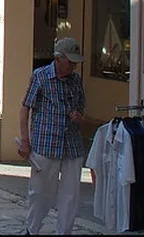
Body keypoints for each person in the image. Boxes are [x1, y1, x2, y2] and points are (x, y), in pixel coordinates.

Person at [18, 37, 87, 235]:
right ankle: (33, 230)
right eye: (70, 61)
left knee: (70, 194)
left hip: (71, 145)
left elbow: (82, 108)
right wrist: (25, 141)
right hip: (46, 143)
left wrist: (79, 116)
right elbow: (25, 109)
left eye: (75, 62)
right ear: (58, 58)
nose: (73, 66)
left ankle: (64, 232)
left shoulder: (76, 80)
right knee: (40, 192)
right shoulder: (40, 76)